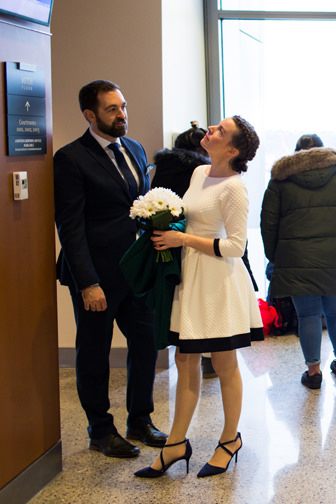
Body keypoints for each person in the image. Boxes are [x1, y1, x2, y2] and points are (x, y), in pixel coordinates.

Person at [136, 116, 263, 478]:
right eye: (215, 126)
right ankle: (176, 443)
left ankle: (229, 440)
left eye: (220, 131)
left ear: (233, 150)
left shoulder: (235, 188)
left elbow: (236, 246)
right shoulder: (197, 174)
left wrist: (183, 240)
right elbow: (190, 220)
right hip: (190, 277)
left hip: (218, 282)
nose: (211, 131)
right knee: (184, 361)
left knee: (224, 366)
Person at [53, 79, 167, 458]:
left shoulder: (133, 148)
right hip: (96, 276)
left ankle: (140, 419)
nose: (122, 115)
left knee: (147, 343)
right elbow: (69, 226)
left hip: (136, 272)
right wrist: (87, 283)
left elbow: (139, 206)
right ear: (90, 115)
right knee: (95, 352)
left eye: (124, 107)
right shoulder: (71, 158)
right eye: (112, 109)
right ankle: (100, 430)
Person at [261, 134, 336, 390]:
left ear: (296, 153)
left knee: (308, 315)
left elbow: (268, 223)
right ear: (323, 152)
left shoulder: (280, 180)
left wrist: (275, 256)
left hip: (296, 258)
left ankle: (314, 372)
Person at [150, 121, 217, 378]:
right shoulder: (204, 172)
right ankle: (209, 357)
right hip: (200, 244)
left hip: (168, 243)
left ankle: (185, 349)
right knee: (205, 301)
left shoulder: (164, 169)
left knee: (179, 300)